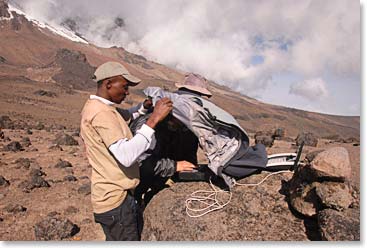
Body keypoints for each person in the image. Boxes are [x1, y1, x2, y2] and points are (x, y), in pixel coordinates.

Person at [80, 61, 173, 241]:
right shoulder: (102, 114)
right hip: (117, 201)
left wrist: (145, 107)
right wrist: (153, 119)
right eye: (124, 86)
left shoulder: (102, 107)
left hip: (111, 197)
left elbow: (127, 116)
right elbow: (126, 156)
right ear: (108, 84)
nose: (127, 92)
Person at [131, 73, 214, 205]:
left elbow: (189, 158)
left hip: (164, 182)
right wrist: (174, 166)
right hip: (138, 187)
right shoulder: (149, 123)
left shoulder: (189, 128)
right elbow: (140, 163)